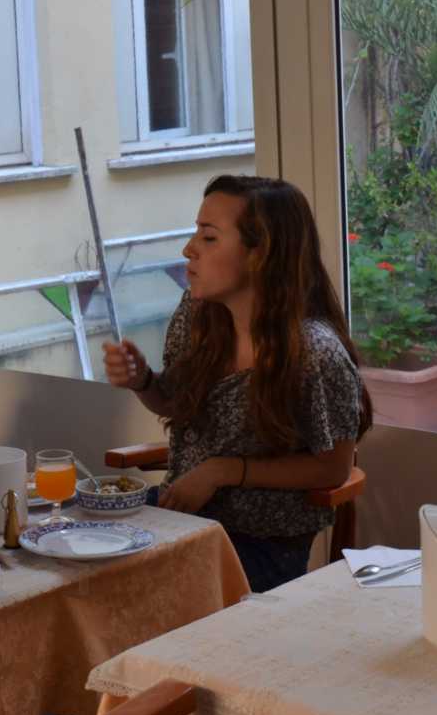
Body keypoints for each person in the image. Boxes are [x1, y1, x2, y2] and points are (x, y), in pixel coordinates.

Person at [103, 175, 372, 593]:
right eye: (196, 232)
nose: (189, 249)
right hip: (182, 519)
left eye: (209, 237)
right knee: (71, 546)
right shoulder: (198, 315)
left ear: (260, 254)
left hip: (260, 546)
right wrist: (144, 381)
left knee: (127, 591)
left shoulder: (314, 352)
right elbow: (175, 403)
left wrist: (224, 471)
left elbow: (334, 467)